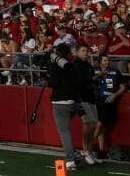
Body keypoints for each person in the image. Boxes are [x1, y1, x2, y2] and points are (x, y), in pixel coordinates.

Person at [46, 42, 81, 171]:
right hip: (74, 102)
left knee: (64, 132)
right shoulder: (72, 66)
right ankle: (75, 154)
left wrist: (47, 81)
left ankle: (70, 160)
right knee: (67, 130)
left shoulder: (57, 66)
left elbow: (54, 82)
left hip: (61, 102)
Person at [93, 53, 126, 159]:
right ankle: (101, 150)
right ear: (99, 62)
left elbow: (123, 87)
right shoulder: (95, 72)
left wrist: (114, 95)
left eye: (107, 60)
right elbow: (89, 81)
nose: (107, 62)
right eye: (104, 61)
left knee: (99, 124)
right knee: (101, 127)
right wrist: (100, 75)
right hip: (97, 100)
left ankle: (88, 146)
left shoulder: (115, 72)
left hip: (109, 102)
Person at [72, 43, 100, 165]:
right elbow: (84, 80)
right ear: (77, 52)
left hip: (90, 96)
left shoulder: (88, 65)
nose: (85, 52)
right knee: (89, 123)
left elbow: (91, 79)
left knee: (94, 124)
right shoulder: (76, 65)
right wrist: (98, 76)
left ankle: (89, 150)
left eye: (86, 50)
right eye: (83, 50)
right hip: (81, 97)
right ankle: (85, 151)